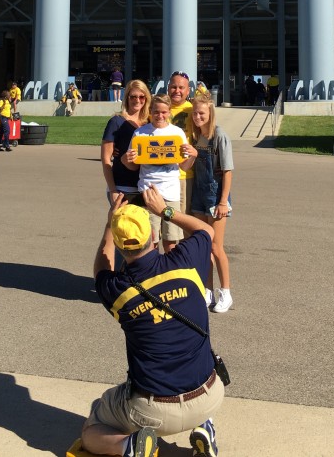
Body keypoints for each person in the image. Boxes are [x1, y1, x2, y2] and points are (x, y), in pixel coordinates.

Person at [80, 189, 224, 457]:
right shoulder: (186, 261)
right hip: (210, 395)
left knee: (93, 427)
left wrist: (110, 225)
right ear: (155, 236)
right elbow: (206, 230)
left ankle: (130, 446)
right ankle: (205, 426)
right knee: (192, 367)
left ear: (123, 248)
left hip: (153, 412)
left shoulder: (118, 291)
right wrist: (165, 211)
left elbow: (102, 266)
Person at [123, 94, 195, 253]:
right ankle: (152, 275)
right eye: (156, 112)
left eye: (164, 112)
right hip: (148, 193)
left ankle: (169, 275)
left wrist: (193, 155)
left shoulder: (177, 133)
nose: (160, 116)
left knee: (171, 242)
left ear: (169, 112)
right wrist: (126, 159)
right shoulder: (140, 134)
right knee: (150, 241)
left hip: (171, 194)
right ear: (150, 111)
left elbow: (184, 166)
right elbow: (132, 166)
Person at [183, 94, 234, 314]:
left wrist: (223, 201)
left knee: (216, 246)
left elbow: (229, 171)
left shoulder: (219, 135)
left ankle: (226, 292)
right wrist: (192, 154)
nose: (197, 116)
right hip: (198, 196)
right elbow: (186, 166)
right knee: (204, 248)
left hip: (215, 196)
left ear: (210, 113)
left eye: (202, 113)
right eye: (194, 113)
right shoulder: (196, 137)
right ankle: (207, 291)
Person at [101, 80, 151, 206]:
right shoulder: (116, 121)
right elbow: (106, 159)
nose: (137, 100)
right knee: (117, 223)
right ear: (127, 97)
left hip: (146, 184)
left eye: (141, 97)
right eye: (133, 96)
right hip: (122, 186)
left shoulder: (151, 122)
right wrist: (113, 189)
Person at [167, 71, 194, 213]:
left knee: (182, 221)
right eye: (173, 87)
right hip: (160, 176)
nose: (177, 91)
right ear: (168, 88)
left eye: (181, 87)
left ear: (188, 90)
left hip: (183, 176)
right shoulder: (158, 109)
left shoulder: (193, 110)